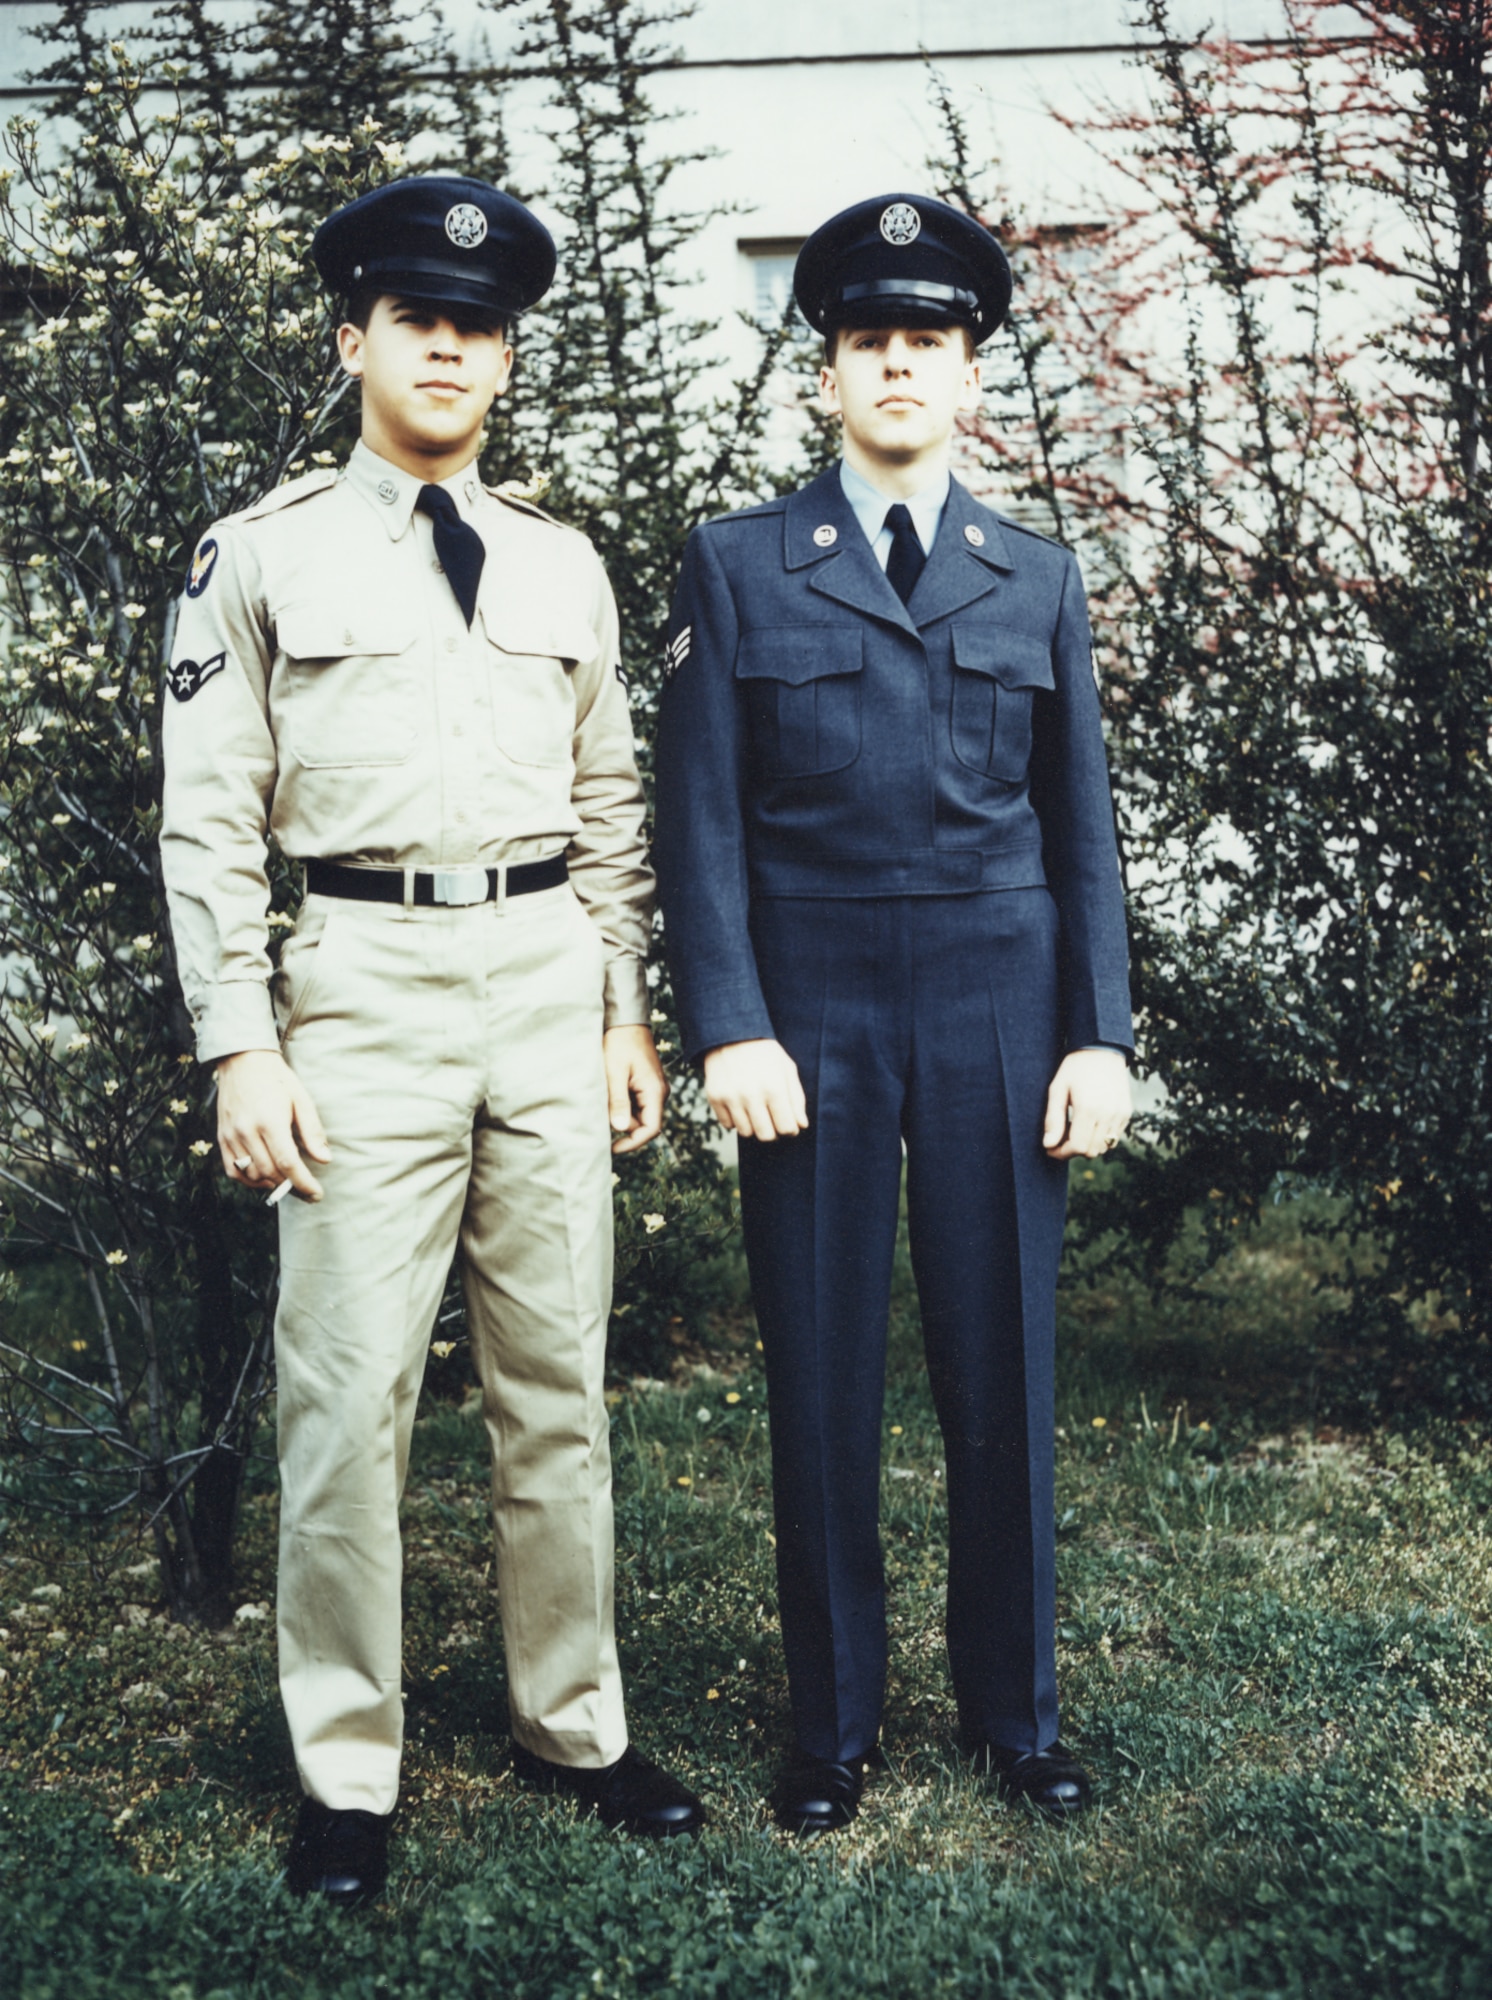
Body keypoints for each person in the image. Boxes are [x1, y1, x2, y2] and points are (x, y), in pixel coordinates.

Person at [161, 174, 705, 1905]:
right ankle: (346, 1768)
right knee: (347, 1399)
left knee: (558, 1387)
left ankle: (577, 1723)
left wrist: (624, 1004)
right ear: (356, 339)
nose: (454, 348)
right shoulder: (261, 556)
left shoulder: (561, 561)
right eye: (420, 320)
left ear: (508, 359)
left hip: (544, 984)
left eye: (481, 328)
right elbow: (207, 821)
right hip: (360, 998)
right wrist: (243, 1046)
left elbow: (614, 798)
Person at [654, 193, 1134, 1833]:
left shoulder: (1035, 574)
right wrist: (728, 1023)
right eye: (871, 341)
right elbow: (700, 821)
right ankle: (832, 1729)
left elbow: (1085, 832)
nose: (900, 367)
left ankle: (1017, 1713)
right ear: (828, 376)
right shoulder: (738, 565)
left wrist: (1101, 1034)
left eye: (929, 342)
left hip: (1002, 1007)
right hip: (816, 1013)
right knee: (825, 1377)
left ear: (972, 376)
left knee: (1000, 1374)